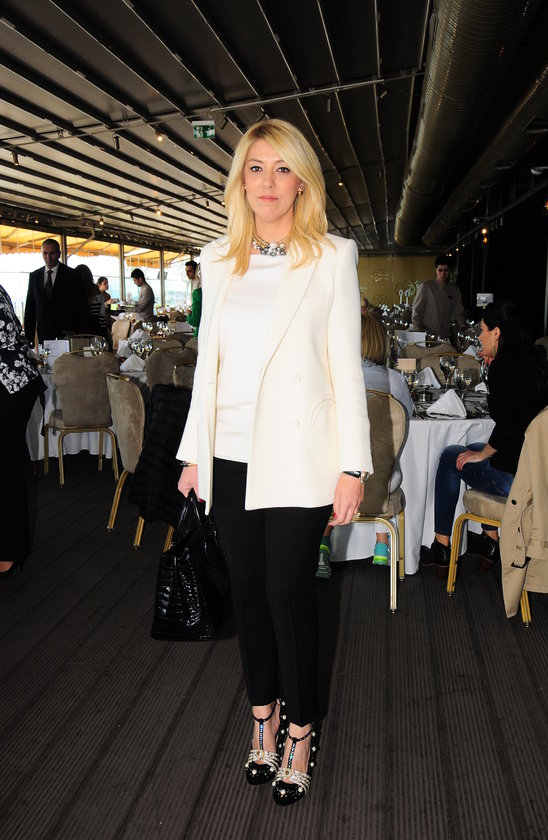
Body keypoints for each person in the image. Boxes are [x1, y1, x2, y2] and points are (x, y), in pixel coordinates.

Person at [176, 118, 372, 806]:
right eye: (255, 168)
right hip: (228, 455)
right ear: (240, 181)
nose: (267, 182)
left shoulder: (333, 257)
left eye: (281, 168)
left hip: (299, 458)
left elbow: (345, 368)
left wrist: (353, 465)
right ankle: (262, 715)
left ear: (302, 182)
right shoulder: (217, 259)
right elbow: (207, 370)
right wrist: (193, 454)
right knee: (249, 593)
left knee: (289, 593)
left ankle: (301, 728)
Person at [420, 300, 548, 576]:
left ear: (497, 333)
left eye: (483, 330)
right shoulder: (537, 361)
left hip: (517, 481)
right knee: (471, 449)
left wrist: (484, 453)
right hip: (542, 473)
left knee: (450, 456)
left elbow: (506, 425)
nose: (479, 337)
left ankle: (441, 546)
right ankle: (489, 539)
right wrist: (482, 451)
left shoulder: (503, 367)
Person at [317, 313, 413, 577]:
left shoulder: (331, 379)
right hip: (381, 483)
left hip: (337, 482)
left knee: (330, 467)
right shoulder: (396, 381)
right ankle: (382, 543)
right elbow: (407, 417)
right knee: (384, 464)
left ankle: (323, 543)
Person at [0, 285, 46, 578]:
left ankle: (7, 554)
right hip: (15, 382)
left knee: (6, 469)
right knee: (8, 466)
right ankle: (10, 550)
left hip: (7, 384)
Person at [24, 238, 88, 344]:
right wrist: (29, 337)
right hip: (43, 334)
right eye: (45, 253)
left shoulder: (72, 275)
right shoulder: (34, 276)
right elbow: (30, 308)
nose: (48, 258)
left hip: (67, 333)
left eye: (52, 253)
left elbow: (81, 306)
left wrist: (82, 334)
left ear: (59, 254)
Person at [412, 254, 465, 339]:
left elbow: (459, 312)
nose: (443, 274)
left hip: (446, 335)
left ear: (450, 271)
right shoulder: (426, 287)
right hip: (427, 335)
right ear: (436, 270)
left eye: (446, 270)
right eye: (440, 270)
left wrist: (463, 327)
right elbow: (417, 310)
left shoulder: (455, 290)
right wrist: (416, 329)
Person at [75, 264, 106, 337]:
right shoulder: (98, 292)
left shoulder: (77, 293)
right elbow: (102, 314)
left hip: (81, 331)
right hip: (98, 330)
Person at [185, 260, 202, 336]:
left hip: (199, 328)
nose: (187, 274)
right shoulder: (191, 283)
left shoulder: (198, 289)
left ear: (196, 271)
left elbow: (195, 321)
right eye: (186, 271)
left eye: (189, 271)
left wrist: (188, 315)